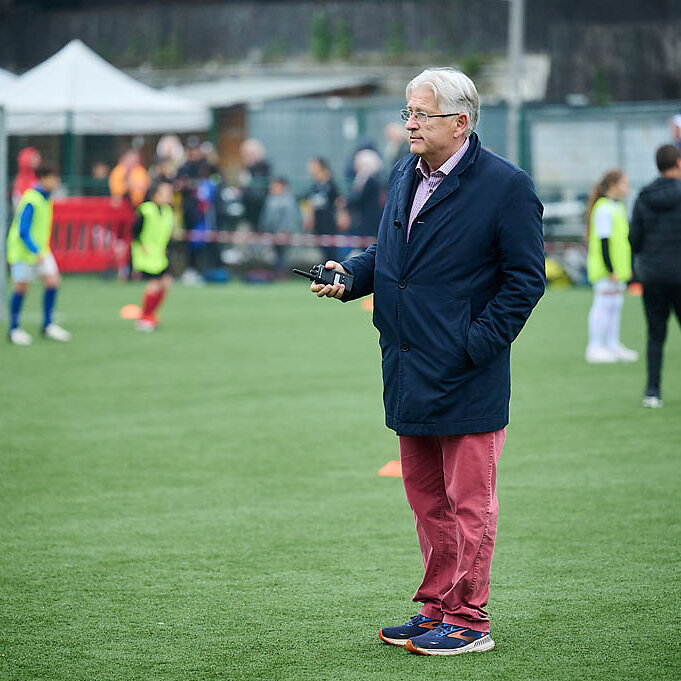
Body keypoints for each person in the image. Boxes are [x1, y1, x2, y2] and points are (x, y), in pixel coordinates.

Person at [306, 68, 545, 656]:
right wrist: (350, 276)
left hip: (466, 372)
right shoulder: (403, 173)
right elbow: (389, 254)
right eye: (408, 112)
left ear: (460, 122)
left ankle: (469, 621)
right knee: (427, 502)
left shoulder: (506, 186)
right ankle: (437, 607)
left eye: (421, 114)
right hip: (407, 367)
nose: (409, 123)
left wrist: (474, 344)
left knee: (469, 505)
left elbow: (525, 281)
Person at [629, 144, 681, 408]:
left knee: (655, 334)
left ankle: (652, 391)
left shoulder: (644, 196)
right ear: (678, 163)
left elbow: (634, 238)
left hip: (652, 275)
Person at [6, 162, 71, 345]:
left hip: (41, 250)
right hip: (24, 251)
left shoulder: (46, 198)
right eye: (53, 178)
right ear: (43, 179)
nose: (56, 181)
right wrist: (34, 250)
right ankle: (14, 329)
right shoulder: (31, 199)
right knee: (21, 288)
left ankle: (48, 325)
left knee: (53, 282)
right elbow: (23, 230)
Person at [585, 170, 638, 363]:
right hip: (606, 270)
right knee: (603, 305)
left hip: (618, 269)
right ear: (613, 185)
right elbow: (604, 241)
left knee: (615, 305)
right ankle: (595, 346)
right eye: (624, 184)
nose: (627, 188)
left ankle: (612, 344)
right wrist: (610, 269)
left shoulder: (618, 207)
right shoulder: (604, 209)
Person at [130, 181, 175, 332]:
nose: (168, 196)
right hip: (146, 254)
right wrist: (141, 245)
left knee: (166, 283)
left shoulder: (168, 211)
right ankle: (144, 318)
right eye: (164, 193)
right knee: (154, 285)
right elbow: (135, 231)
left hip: (160, 254)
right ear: (155, 194)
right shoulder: (146, 210)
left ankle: (150, 314)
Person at [258, 177, 302, 277]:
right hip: (272, 232)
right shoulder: (270, 199)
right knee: (275, 254)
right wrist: (264, 229)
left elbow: (291, 217)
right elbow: (266, 216)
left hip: (283, 233)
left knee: (283, 255)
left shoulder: (288, 200)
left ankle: (282, 274)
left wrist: (284, 231)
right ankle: (275, 273)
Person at [304, 157, 340, 263]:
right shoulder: (314, 186)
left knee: (331, 251)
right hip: (318, 222)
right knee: (323, 250)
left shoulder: (331, 184)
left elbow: (338, 201)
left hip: (329, 222)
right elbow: (308, 202)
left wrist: (341, 215)